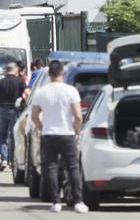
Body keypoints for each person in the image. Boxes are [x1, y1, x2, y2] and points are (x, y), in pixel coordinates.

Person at [31, 60, 89, 214]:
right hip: (67, 133)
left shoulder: (41, 92)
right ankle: (78, 201)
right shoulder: (71, 91)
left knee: (50, 166)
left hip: (49, 134)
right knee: (73, 167)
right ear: (63, 73)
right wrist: (77, 130)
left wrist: (41, 127)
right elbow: (78, 115)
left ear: (49, 73)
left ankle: (56, 202)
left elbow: (34, 115)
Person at [0, 62, 26, 171]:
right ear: (16, 70)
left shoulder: (0, 82)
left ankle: (4, 160)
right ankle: (13, 161)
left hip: (2, 110)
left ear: (7, 70)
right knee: (15, 136)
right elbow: (26, 94)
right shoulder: (20, 82)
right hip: (16, 111)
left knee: (2, 136)